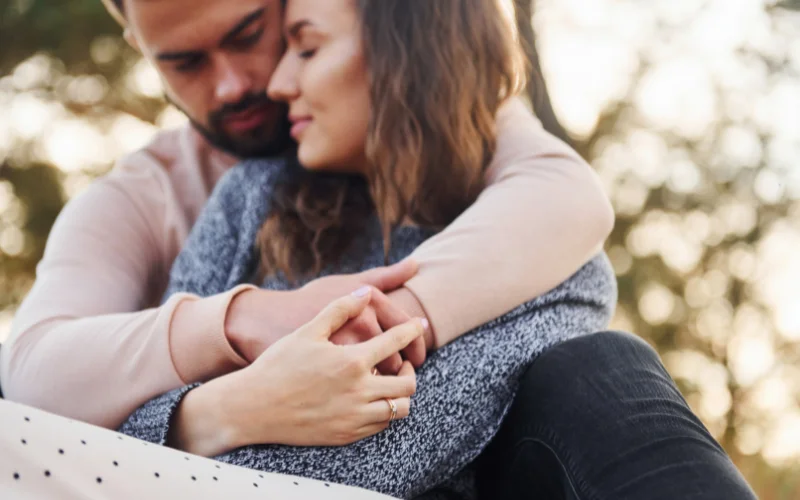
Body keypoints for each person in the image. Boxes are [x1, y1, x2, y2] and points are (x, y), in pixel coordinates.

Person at [117, 1, 755, 499]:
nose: (279, 83)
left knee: (603, 365)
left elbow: (417, 429)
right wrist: (231, 413)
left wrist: (225, 440)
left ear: (404, 56)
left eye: (306, 48)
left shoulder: (531, 234)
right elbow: (134, 419)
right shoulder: (249, 198)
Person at [0, 0, 614, 430]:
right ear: (141, 48)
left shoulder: (449, 119)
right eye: (183, 62)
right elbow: (31, 368)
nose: (233, 86)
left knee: (608, 370)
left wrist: (373, 327)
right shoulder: (144, 194)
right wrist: (247, 324)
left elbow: (564, 194)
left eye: (247, 33)